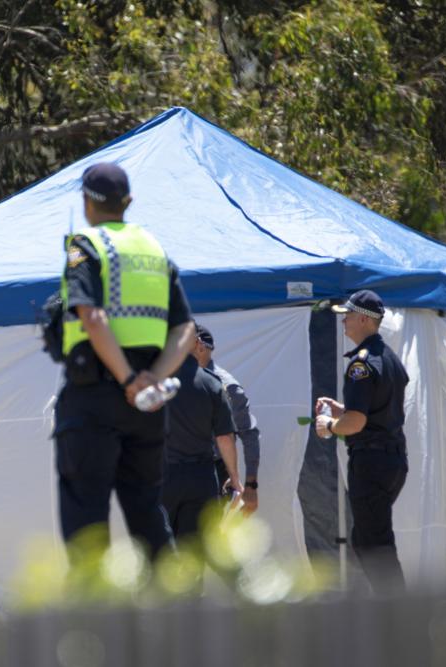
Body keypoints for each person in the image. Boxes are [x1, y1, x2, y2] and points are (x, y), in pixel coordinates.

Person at [53, 162, 196, 566]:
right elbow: (185, 328)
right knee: (147, 512)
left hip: (94, 395)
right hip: (146, 406)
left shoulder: (85, 245)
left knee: (86, 520)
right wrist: (152, 379)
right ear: (127, 202)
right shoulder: (154, 249)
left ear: (86, 201)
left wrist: (128, 378)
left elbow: (92, 317)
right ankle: (174, 615)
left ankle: (94, 622)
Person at [315, 290, 409, 595]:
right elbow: (375, 414)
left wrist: (329, 425)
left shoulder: (361, 364)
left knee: (374, 543)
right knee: (367, 538)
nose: (344, 321)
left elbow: (357, 423)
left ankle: (397, 615)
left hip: (372, 462)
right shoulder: (388, 357)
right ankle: (393, 612)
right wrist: (343, 411)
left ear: (365, 320)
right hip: (391, 459)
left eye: (349, 315)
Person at [162, 336, 241, 540]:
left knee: (158, 551)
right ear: (197, 344)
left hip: (161, 476)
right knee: (193, 553)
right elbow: (225, 436)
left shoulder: (153, 382)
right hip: (201, 478)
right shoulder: (211, 383)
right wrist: (234, 478)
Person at [192, 323, 261, 514]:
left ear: (200, 346)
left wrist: (250, 485)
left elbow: (249, 435)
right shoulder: (177, 380)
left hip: (212, 471)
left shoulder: (227, 387)